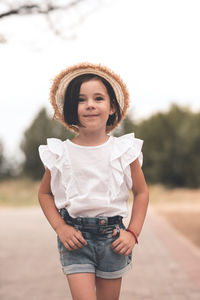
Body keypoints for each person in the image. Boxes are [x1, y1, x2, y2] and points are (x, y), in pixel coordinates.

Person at [38, 62, 149, 300]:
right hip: (75, 239)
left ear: (111, 108)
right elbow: (45, 194)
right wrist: (60, 227)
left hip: (113, 239)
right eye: (81, 99)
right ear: (71, 108)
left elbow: (141, 192)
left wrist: (132, 232)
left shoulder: (123, 150)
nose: (90, 104)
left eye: (98, 98)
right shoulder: (60, 152)